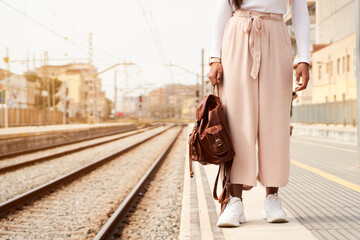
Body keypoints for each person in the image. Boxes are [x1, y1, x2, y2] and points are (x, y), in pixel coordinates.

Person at [207, 0, 310, 227]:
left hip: (276, 33)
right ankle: (235, 201)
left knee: (276, 121)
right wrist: (215, 57)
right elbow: (223, 8)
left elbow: (300, 10)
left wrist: (304, 57)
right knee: (237, 120)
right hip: (238, 33)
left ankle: (272, 198)